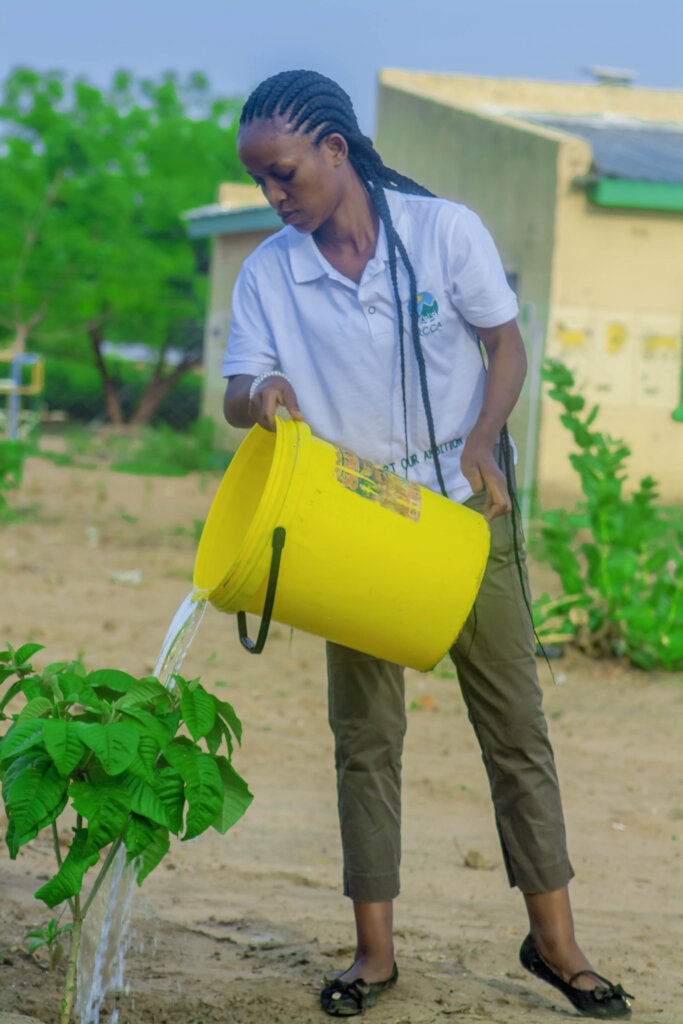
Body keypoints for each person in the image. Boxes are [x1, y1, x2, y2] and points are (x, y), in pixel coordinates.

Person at [222, 69, 632, 1020]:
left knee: (515, 731)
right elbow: (240, 384)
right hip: (355, 528)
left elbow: (507, 344)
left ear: (335, 149)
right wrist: (261, 399)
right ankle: (373, 955)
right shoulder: (268, 272)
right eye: (259, 181)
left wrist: (483, 439)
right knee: (365, 740)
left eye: (282, 173)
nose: (273, 196)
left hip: (463, 510)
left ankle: (555, 943)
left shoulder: (444, 230)